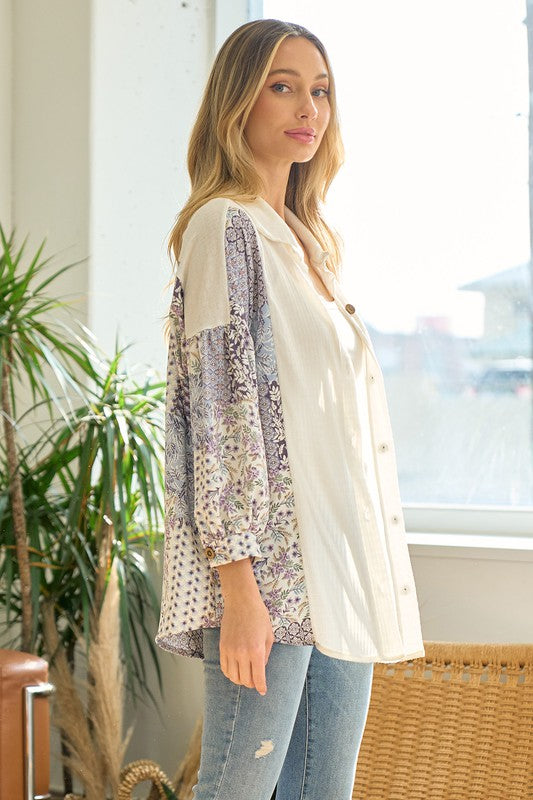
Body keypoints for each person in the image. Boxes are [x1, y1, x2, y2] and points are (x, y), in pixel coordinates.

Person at [155, 17, 425, 800]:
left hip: (340, 565)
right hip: (269, 575)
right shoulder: (223, 227)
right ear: (237, 102)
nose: (308, 108)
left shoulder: (308, 241)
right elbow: (220, 419)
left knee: (323, 791)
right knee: (236, 789)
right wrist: (240, 593)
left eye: (321, 90)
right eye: (283, 86)